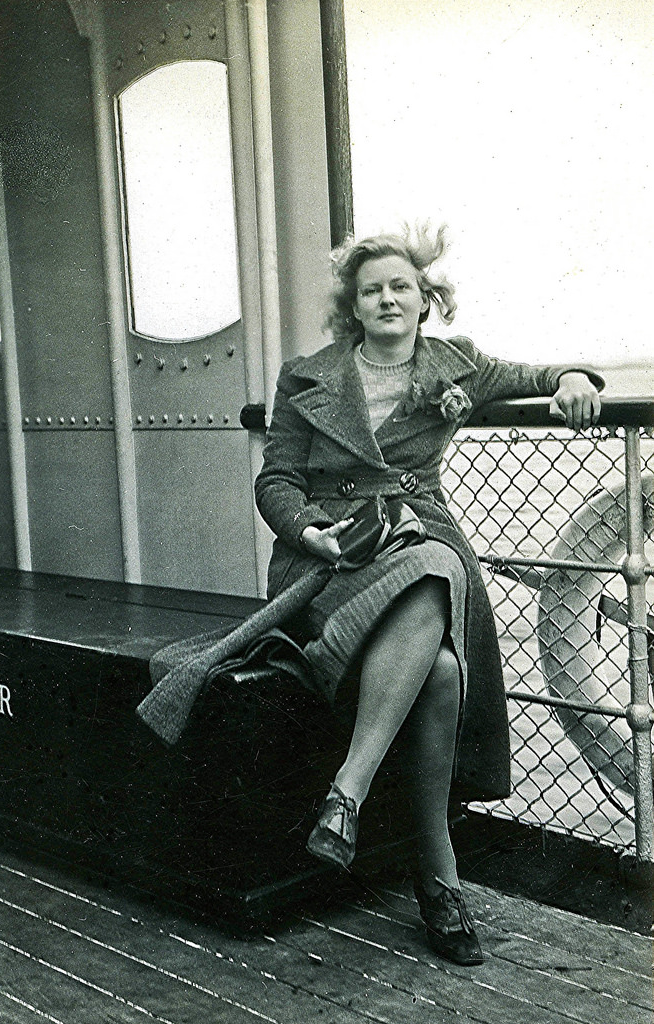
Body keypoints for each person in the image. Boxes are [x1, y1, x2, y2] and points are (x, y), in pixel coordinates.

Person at [253, 224, 603, 966]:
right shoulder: (305, 376)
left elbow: (540, 376)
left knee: (439, 585)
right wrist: (309, 529)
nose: (387, 297)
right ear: (354, 303)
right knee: (438, 636)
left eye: (400, 286)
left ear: (423, 298)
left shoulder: (458, 365)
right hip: (329, 557)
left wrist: (576, 378)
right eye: (372, 287)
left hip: (417, 533)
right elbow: (276, 477)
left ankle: (356, 801)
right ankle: (434, 879)